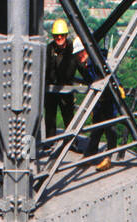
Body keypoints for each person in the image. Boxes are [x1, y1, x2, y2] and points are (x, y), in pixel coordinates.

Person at [73, 38, 121, 170]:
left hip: (109, 99)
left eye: (82, 52)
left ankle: (108, 158)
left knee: (110, 129)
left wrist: (118, 87)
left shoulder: (97, 62)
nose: (79, 56)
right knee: (96, 129)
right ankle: (89, 155)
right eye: (77, 54)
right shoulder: (85, 65)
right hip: (99, 100)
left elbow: (110, 75)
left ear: (87, 51)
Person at [45, 18, 76, 138]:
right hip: (51, 89)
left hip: (66, 89)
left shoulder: (72, 49)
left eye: (61, 36)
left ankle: (72, 142)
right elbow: (45, 67)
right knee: (50, 117)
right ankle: (49, 141)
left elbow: (79, 65)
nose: (59, 38)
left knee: (68, 117)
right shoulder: (49, 49)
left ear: (66, 35)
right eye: (57, 36)